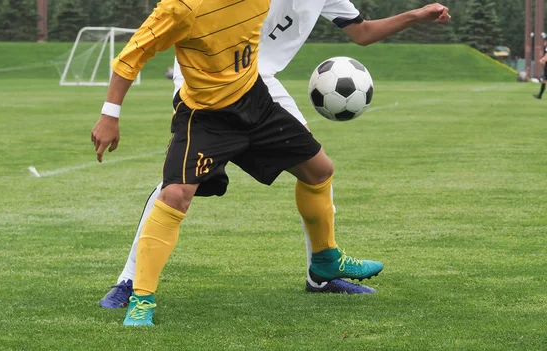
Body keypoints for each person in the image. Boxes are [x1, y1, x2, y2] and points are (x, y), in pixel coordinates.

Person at [98, 0, 452, 309]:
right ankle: (130, 281)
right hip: (208, 84)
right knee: (176, 186)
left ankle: (322, 272)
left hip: (260, 85)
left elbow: (363, 32)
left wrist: (417, 15)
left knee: (316, 167)